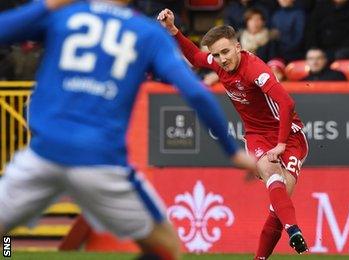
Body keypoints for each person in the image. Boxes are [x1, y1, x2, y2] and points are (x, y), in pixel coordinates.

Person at [0, 1, 258, 260]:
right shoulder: (146, 32)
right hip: (101, 162)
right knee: (166, 249)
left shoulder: (66, 15)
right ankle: (9, 250)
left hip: (43, 153)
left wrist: (49, 4)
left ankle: (8, 250)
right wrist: (232, 152)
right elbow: (195, 92)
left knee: (6, 234)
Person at [158, 9, 309, 258]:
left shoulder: (255, 70)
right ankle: (293, 230)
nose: (222, 59)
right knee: (273, 179)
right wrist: (174, 31)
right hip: (257, 135)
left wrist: (281, 144)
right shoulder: (219, 64)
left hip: (289, 135)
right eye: (216, 55)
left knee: (277, 207)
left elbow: (286, 103)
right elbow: (196, 56)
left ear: (238, 47)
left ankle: (272, 245)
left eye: (226, 52)